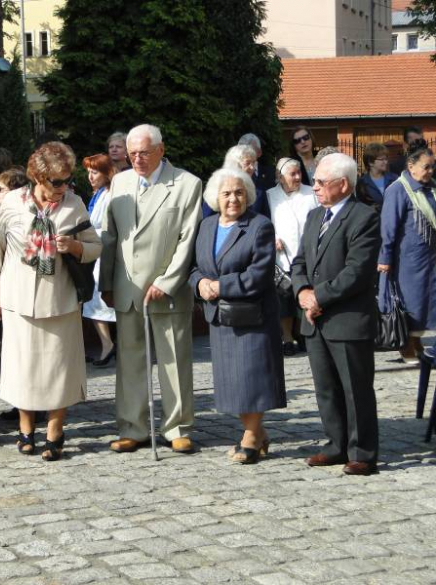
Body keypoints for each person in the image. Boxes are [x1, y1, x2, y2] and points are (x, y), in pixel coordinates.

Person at [0, 142, 101, 461]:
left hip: (59, 300)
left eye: (67, 180)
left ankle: (54, 431)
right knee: (23, 368)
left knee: (58, 370)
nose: (62, 188)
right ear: (38, 177)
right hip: (17, 299)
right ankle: (25, 429)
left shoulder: (75, 205)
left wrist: (75, 247)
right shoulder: (11, 203)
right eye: (56, 182)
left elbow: (96, 246)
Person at [100, 124, 202, 454]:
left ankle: (178, 426)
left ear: (161, 149)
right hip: (127, 289)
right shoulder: (120, 182)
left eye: (144, 153)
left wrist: (167, 281)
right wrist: (106, 283)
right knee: (130, 362)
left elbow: (188, 238)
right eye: (132, 154)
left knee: (174, 360)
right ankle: (133, 426)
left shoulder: (187, 184)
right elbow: (110, 236)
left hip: (167, 290)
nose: (138, 160)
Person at [292, 153, 381, 476]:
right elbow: (299, 261)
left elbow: (357, 271)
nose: (313, 186)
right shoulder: (316, 216)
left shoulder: (364, 217)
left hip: (347, 319)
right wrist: (302, 292)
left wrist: (319, 297)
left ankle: (362, 452)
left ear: (343, 184)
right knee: (326, 388)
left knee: (355, 388)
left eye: (320, 181)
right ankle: (336, 444)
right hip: (315, 320)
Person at [189, 167, 286, 463]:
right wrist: (200, 284)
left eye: (239, 192)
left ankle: (252, 436)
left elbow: (260, 273)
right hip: (221, 318)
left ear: (248, 195)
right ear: (215, 198)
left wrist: (221, 285)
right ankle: (256, 431)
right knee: (234, 382)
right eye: (227, 193)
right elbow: (194, 267)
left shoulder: (259, 226)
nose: (233, 199)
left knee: (252, 379)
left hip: (252, 317)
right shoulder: (206, 226)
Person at [378, 139, 436, 364]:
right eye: (426, 166)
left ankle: (416, 340)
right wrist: (385, 258)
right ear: (411, 166)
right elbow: (388, 228)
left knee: (426, 300)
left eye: (432, 166)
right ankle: (405, 342)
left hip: (430, 256)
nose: (430, 171)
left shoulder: (433, 187)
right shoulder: (397, 190)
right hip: (406, 259)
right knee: (410, 300)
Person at [266, 157, 317, 355]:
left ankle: (302, 334)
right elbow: (265, 221)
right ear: (279, 177)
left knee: (304, 294)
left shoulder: (310, 192)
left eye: (299, 173)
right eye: (292, 174)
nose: (297, 177)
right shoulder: (270, 195)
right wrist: (273, 236)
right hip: (282, 256)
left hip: (306, 254)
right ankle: (287, 337)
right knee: (284, 300)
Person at [81, 153, 117, 366]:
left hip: (104, 252)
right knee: (94, 302)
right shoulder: (99, 193)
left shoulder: (112, 194)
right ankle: (107, 344)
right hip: (95, 252)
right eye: (88, 173)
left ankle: (109, 345)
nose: (90, 177)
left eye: (94, 172)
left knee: (100, 299)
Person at [356, 142, 397, 213]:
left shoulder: (394, 179)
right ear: (370, 162)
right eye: (382, 159)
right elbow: (361, 206)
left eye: (386, 159)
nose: (386, 162)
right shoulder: (362, 183)